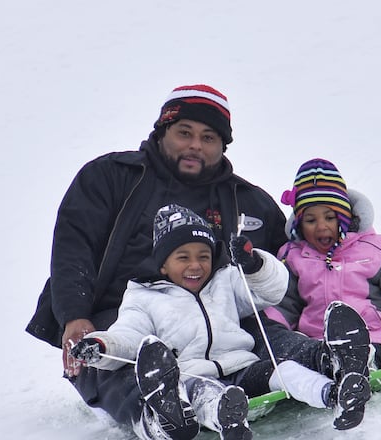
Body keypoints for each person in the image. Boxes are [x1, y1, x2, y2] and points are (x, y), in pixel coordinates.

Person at [23, 85, 339, 436]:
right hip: (117, 312)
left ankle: (327, 361)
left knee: (264, 328)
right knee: (117, 354)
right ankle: (158, 413)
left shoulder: (248, 200)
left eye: (208, 137)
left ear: (222, 146)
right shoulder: (111, 176)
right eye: (184, 133)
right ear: (162, 133)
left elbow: (299, 258)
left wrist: (356, 283)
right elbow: (73, 246)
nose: (195, 145)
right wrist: (74, 315)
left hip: (217, 310)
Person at [68, 204, 371, 439]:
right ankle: (225, 419)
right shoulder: (145, 297)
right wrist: (100, 345)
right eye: (182, 257)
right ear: (163, 265)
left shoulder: (224, 281)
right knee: (206, 394)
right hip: (193, 375)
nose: (196, 265)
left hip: (243, 367)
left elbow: (271, 291)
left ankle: (336, 394)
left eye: (203, 255)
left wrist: (254, 265)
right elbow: (128, 336)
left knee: (284, 370)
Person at [264, 158, 381, 370]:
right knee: (303, 359)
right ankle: (325, 371)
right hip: (316, 346)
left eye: (329, 217)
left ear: (344, 217)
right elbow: (283, 304)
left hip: (371, 338)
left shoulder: (373, 249)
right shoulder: (293, 257)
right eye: (310, 220)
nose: (321, 226)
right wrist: (271, 336)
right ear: (299, 224)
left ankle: (362, 363)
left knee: (365, 352)